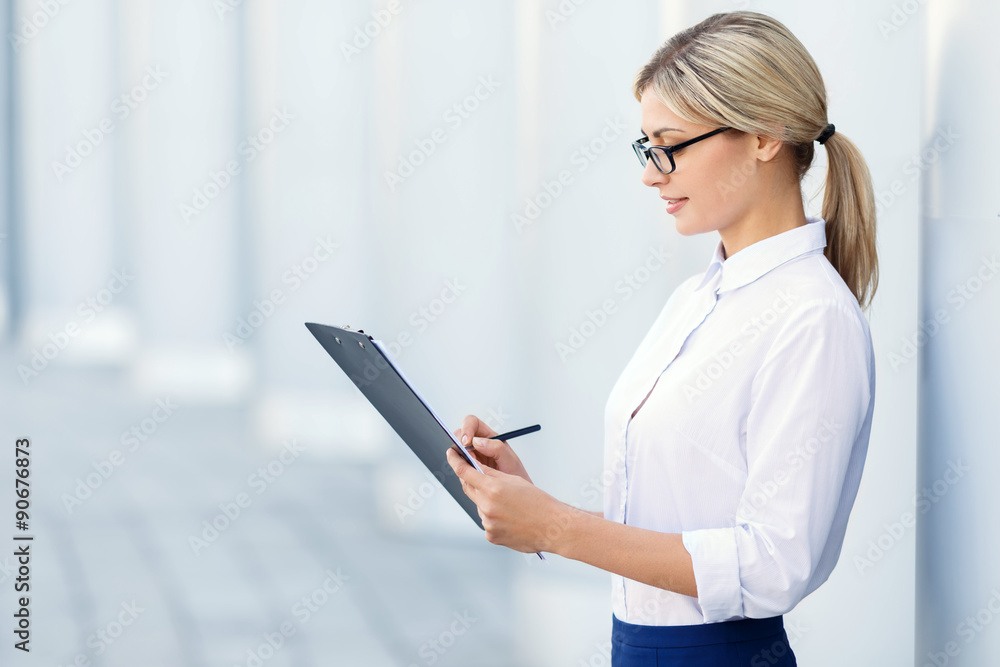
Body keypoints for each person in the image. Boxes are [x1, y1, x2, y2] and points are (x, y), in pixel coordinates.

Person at [446, 10, 877, 666]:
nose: (651, 173)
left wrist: (559, 529)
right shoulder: (697, 298)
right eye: (645, 147)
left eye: (668, 144)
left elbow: (770, 566)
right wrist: (535, 505)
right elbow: (677, 510)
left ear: (764, 135)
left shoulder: (812, 319)